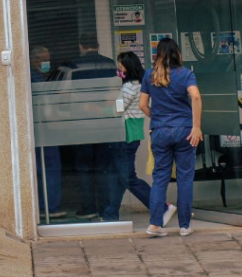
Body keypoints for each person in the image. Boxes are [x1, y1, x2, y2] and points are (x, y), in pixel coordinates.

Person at [101, 51, 173, 225]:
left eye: (121, 66)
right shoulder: (137, 84)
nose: (119, 70)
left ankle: (161, 208)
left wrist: (99, 108)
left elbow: (117, 110)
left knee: (128, 178)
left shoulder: (129, 87)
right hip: (129, 135)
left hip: (124, 136)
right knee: (118, 177)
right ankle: (110, 214)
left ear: (128, 67)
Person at [140, 37, 203, 237]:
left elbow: (142, 105)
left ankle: (155, 225)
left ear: (158, 54)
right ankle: (184, 226)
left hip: (160, 131)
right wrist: (196, 127)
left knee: (160, 178)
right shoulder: (185, 74)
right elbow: (195, 96)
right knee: (185, 178)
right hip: (185, 130)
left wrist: (157, 118)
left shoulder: (150, 74)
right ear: (177, 53)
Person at [69, 32, 118, 219]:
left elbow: (66, 94)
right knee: (104, 168)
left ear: (81, 46)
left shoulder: (73, 65)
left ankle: (88, 208)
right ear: (98, 45)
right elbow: (116, 90)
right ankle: (106, 209)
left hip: (82, 125)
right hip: (105, 124)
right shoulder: (110, 64)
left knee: (84, 168)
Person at [30, 45, 65, 219]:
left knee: (43, 168)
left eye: (48, 59)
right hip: (43, 128)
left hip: (41, 127)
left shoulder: (40, 76)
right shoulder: (35, 78)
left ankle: (45, 206)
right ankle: (50, 207)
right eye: (44, 59)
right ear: (34, 60)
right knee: (50, 167)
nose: (47, 62)